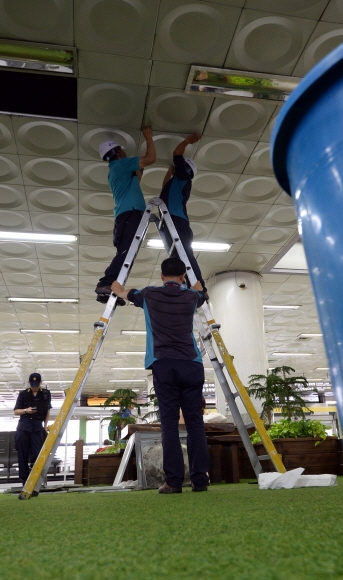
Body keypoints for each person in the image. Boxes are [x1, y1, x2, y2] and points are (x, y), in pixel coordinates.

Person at [111, 257, 210, 494]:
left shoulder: (149, 294)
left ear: (162, 276)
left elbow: (123, 292)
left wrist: (115, 287)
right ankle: (200, 480)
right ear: (183, 277)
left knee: (169, 423)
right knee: (195, 423)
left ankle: (174, 482)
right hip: (192, 364)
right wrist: (197, 289)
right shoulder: (191, 296)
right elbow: (201, 294)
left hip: (164, 365)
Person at [95, 126, 157, 306]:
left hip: (126, 214)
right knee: (125, 253)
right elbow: (150, 159)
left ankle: (111, 289)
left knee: (127, 254)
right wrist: (148, 137)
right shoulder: (120, 164)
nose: (125, 151)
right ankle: (105, 284)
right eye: (122, 149)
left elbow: (138, 178)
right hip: (129, 213)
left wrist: (138, 166)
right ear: (116, 152)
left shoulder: (116, 171)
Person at [159, 133, 208, 297]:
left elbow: (176, 154)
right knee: (179, 259)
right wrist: (168, 171)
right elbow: (164, 187)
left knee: (185, 255)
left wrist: (187, 141)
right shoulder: (176, 183)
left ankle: (200, 287)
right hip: (173, 221)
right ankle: (189, 286)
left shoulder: (184, 176)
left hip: (177, 221)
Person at [13, 373, 52, 484]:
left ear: (41, 382)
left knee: (37, 453)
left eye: (37, 384)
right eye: (33, 385)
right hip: (24, 426)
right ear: (29, 383)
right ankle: (25, 480)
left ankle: (35, 476)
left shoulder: (46, 394)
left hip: (37, 426)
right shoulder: (23, 394)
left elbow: (48, 411)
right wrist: (26, 410)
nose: (34, 387)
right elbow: (16, 411)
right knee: (22, 454)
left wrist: (45, 425)